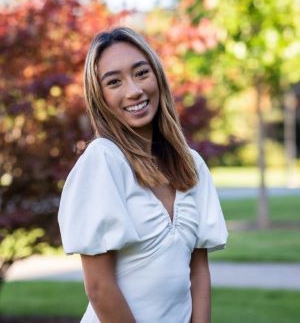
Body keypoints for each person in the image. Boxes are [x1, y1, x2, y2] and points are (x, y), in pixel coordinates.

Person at [58, 27, 228, 323]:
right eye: (114, 82)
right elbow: (98, 287)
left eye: (141, 73)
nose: (134, 90)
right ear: (100, 97)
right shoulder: (103, 161)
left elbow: (199, 272)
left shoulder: (192, 165)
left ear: (157, 77)